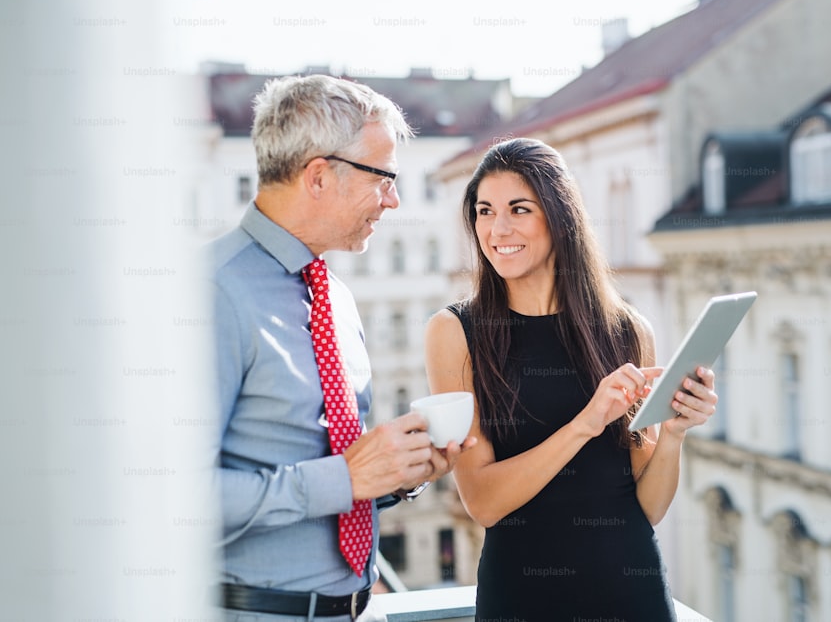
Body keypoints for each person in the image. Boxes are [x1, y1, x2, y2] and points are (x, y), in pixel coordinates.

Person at [209, 74, 474, 622]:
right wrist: (346, 477)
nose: (395, 200)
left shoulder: (337, 298)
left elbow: (329, 483)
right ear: (320, 177)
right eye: (384, 178)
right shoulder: (211, 293)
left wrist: (399, 474)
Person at [424, 138, 718, 621]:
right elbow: (484, 502)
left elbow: (647, 507)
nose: (498, 229)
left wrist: (674, 433)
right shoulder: (455, 332)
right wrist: (586, 422)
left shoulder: (628, 330)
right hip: (522, 598)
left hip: (633, 595)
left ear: (560, 219)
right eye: (484, 211)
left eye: (519, 209)